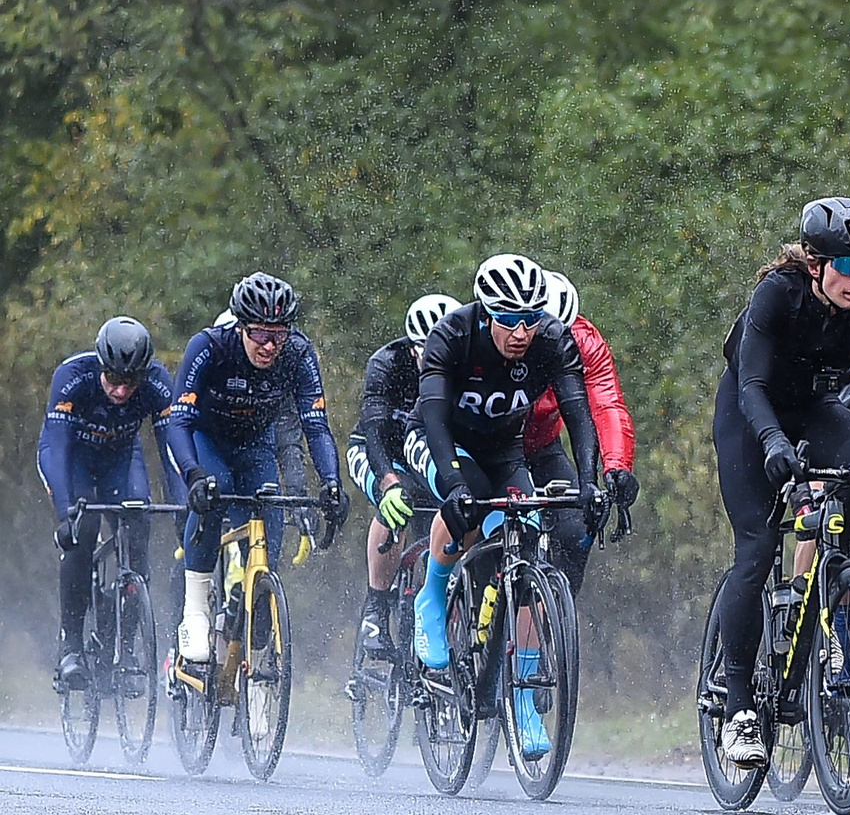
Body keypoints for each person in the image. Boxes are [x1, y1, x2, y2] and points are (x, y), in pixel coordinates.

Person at [710, 199, 850, 769]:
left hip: (812, 407)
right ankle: (738, 711)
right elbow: (753, 385)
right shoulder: (777, 295)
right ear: (814, 263)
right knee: (757, 551)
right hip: (748, 415)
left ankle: (836, 590)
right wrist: (773, 445)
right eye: (847, 264)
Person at [412, 254, 602, 762]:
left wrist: (590, 483)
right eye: (509, 319)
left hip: (504, 450)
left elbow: (578, 412)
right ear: (487, 311)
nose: (522, 331)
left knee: (530, 539)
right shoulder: (454, 335)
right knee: (469, 508)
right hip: (443, 442)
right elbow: (432, 416)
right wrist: (451, 484)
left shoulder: (552, 339)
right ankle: (431, 598)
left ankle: (522, 698)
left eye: (531, 318)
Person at [165, 275, 347, 677]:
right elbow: (178, 422)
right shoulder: (211, 346)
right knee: (218, 489)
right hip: (205, 440)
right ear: (241, 325)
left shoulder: (298, 355)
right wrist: (193, 475)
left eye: (278, 336)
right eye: (260, 334)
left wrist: (332, 483)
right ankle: (194, 608)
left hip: (254, 446)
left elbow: (315, 427)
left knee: (270, 515)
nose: (269, 346)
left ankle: (250, 609)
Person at [39, 318, 183, 691]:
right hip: (75, 460)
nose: (120, 391)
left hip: (121, 459)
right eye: (112, 380)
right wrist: (64, 513)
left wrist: (184, 508)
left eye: (129, 383)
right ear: (100, 366)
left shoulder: (156, 383)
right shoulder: (73, 376)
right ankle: (71, 644)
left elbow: (172, 452)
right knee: (82, 530)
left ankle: (124, 647)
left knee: (138, 530)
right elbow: (55, 446)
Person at [349, 294, 458, 656]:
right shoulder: (387, 364)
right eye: (429, 349)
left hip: (429, 457)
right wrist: (389, 483)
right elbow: (375, 429)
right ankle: (375, 609)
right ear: (414, 350)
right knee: (398, 504)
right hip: (379, 453)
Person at [522, 271, 639, 595]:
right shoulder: (503, 334)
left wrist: (617, 467)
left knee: (576, 531)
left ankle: (553, 624)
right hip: (490, 448)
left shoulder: (585, 340)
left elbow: (607, 406)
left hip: (543, 445)